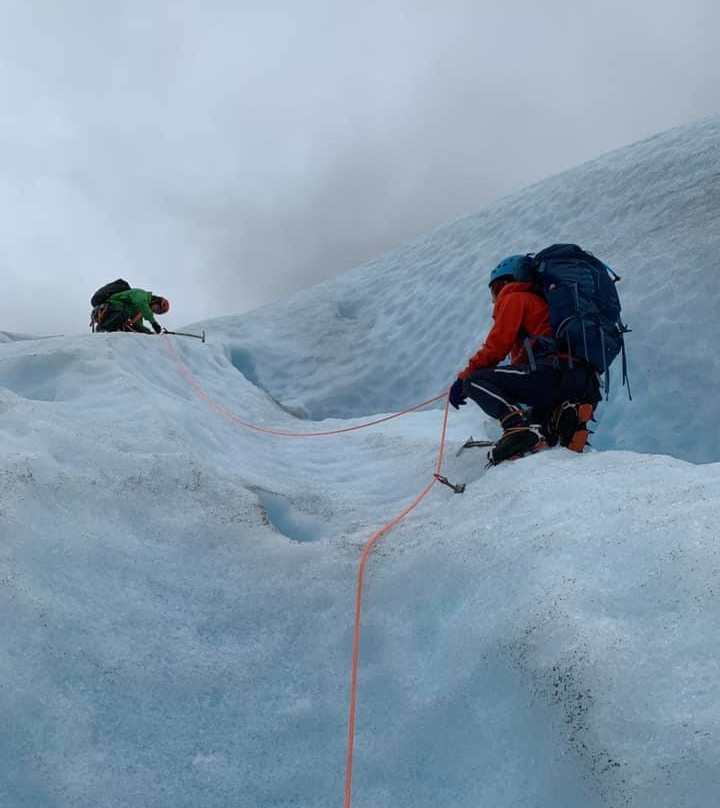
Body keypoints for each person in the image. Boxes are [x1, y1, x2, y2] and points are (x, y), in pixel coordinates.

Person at [449, 255, 600, 465]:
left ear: (507, 282)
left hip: (551, 374)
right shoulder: (546, 303)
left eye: (495, 289)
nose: (495, 298)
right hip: (584, 381)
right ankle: (565, 418)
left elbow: (496, 347)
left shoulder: (515, 298)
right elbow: (522, 360)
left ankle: (516, 427)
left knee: (475, 380)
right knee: (536, 421)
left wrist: (464, 380)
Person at [92, 288, 170, 334]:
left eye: (157, 312)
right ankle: (102, 328)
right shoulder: (141, 294)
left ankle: (109, 331)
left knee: (133, 329)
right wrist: (154, 323)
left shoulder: (141, 311)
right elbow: (142, 304)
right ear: (156, 301)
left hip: (116, 315)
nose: (154, 311)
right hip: (109, 308)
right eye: (157, 309)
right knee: (124, 315)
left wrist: (151, 334)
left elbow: (138, 325)